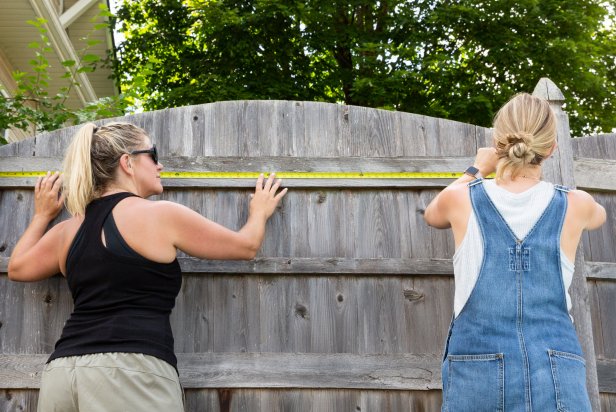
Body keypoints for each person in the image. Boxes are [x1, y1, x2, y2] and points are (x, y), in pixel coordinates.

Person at [8, 122, 287, 412]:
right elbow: (245, 246)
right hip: (130, 374)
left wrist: (42, 216)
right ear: (127, 162)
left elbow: (17, 268)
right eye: (153, 154)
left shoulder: (67, 230)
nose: (161, 165)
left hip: (63, 374)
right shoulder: (161, 215)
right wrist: (259, 212)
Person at [424, 93, 606, 411]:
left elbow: (431, 214)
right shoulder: (578, 204)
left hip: (477, 371)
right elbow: (600, 216)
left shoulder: (461, 198)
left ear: (498, 143)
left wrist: (476, 168)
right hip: (556, 370)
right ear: (551, 149)